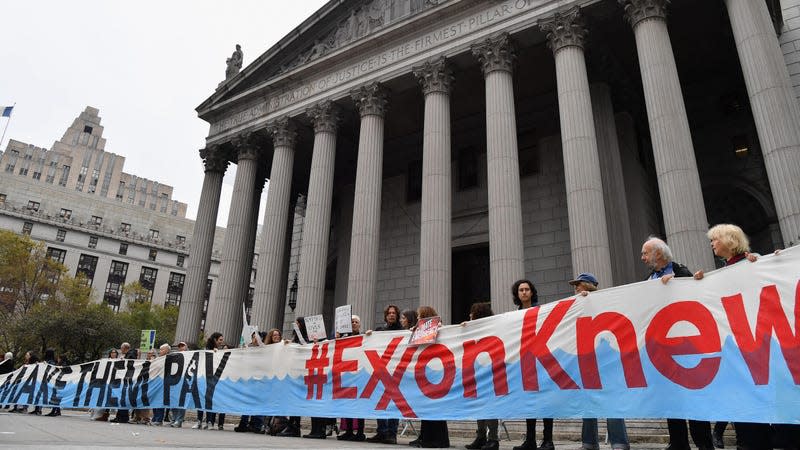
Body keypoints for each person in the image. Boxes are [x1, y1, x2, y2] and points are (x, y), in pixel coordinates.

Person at [693, 225, 787, 450]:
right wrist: (697, 283)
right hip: (738, 355)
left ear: (729, 240)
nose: (712, 244)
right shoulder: (722, 272)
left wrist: (773, 262)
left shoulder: (753, 264)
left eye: (715, 239)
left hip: (761, 350)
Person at [640, 237, 714, 450]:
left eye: (646, 253)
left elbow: (695, 300)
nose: (643, 258)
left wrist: (678, 285)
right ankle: (678, 442)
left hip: (687, 347)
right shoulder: (648, 279)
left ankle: (703, 443)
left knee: (692, 396)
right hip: (662, 349)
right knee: (671, 396)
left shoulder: (681, 273)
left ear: (659, 254)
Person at [569, 273, 630, 450]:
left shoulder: (606, 302)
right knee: (588, 402)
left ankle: (619, 442)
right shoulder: (576, 305)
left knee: (611, 401)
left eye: (578, 285)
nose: (576, 289)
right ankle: (589, 442)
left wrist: (593, 300)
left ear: (589, 286)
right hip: (586, 360)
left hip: (606, 360)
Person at [511, 279, 555, 450]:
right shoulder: (514, 316)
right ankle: (530, 440)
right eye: (521, 290)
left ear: (532, 292)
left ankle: (548, 440)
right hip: (525, 363)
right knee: (530, 401)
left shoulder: (541, 311)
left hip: (542, 360)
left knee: (545, 401)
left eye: (527, 289)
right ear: (517, 294)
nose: (524, 292)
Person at [409, 305, 450, 448]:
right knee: (426, 406)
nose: (418, 319)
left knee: (436, 407)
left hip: (438, 370)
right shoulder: (420, 331)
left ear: (426, 316)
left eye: (420, 316)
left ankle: (438, 439)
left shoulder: (440, 328)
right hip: (426, 370)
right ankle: (425, 437)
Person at [463, 302, 500, 450]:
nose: (470, 316)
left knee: (490, 405)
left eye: (472, 313)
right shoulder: (472, 330)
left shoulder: (492, 328)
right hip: (477, 371)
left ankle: (493, 439)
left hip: (490, 371)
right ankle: (481, 436)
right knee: (480, 405)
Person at [365, 304, 403, 445]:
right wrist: (369, 335)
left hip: (396, 371)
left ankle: (392, 434)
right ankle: (381, 432)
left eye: (394, 313)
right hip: (381, 371)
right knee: (379, 402)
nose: (392, 315)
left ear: (397, 315)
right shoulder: (380, 331)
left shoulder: (402, 330)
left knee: (393, 403)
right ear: (386, 316)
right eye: (389, 313)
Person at [337, 315, 367, 442]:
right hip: (347, 375)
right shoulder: (343, 339)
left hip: (360, 375)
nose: (354, 324)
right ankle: (349, 431)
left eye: (356, 322)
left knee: (360, 405)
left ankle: (360, 432)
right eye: (352, 322)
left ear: (359, 325)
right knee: (348, 403)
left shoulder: (365, 337)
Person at [277, 318, 308, 438]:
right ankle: (292, 425)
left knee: (297, 400)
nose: (296, 325)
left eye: (298, 323)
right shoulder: (296, 337)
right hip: (294, 373)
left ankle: (295, 426)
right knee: (292, 399)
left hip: (302, 373)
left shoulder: (306, 337)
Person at [151, 343, 171, 425]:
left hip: (164, 382)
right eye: (160, 349)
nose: (160, 351)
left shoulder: (169, 359)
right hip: (156, 381)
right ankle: (155, 417)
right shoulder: (158, 359)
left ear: (167, 350)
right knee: (154, 400)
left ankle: (159, 419)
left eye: (162, 349)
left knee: (159, 400)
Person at [169, 341, 189, 428]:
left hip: (185, 380)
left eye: (183, 346)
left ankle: (179, 420)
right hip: (175, 380)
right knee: (174, 400)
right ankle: (174, 419)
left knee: (182, 401)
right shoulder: (175, 356)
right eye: (180, 346)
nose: (181, 348)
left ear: (186, 347)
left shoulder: (190, 356)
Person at [43, 348, 62, 417]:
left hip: (50, 380)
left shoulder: (51, 362)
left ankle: (55, 410)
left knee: (54, 395)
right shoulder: (52, 361)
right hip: (51, 380)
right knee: (54, 395)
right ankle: (57, 410)